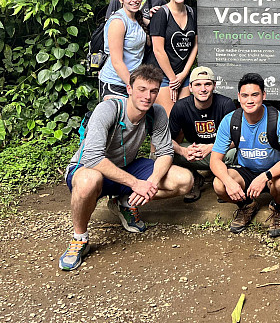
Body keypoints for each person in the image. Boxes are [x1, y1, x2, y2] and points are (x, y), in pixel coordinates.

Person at [59, 65, 193, 271]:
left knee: (184, 180)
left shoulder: (156, 113)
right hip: (90, 170)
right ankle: (80, 238)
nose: (147, 96)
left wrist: (151, 183)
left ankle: (124, 202)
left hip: (127, 167)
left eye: (153, 91)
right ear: (129, 89)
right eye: (141, 89)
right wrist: (136, 183)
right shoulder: (109, 109)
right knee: (88, 181)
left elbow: (165, 152)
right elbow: (93, 157)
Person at [210, 73, 280, 237]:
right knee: (219, 184)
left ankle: (278, 207)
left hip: (273, 171)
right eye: (244, 95)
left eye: (255, 95)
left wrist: (264, 176)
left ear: (263, 95)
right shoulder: (230, 120)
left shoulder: (278, 120)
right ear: (238, 97)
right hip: (245, 170)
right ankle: (247, 206)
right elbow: (215, 160)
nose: (249, 100)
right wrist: (229, 181)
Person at [169, 66, 237, 202]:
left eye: (207, 84)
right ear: (190, 87)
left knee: (233, 153)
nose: (203, 89)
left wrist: (212, 147)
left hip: (220, 150)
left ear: (214, 86)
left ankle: (223, 183)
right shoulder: (181, 107)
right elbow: (166, 140)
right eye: (198, 84)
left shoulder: (226, 104)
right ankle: (194, 179)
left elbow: (238, 139)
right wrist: (183, 151)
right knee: (167, 153)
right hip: (194, 149)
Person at [147, 0, 197, 116]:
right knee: (169, 122)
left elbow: (195, 45)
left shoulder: (192, 13)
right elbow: (158, 50)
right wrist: (173, 79)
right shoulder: (161, 14)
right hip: (162, 76)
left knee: (184, 122)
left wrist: (184, 75)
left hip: (183, 75)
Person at [98, 0, 147, 100]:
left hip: (131, 82)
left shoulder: (138, 19)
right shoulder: (118, 22)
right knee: (118, 118)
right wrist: (133, 87)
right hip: (115, 83)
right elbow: (117, 62)